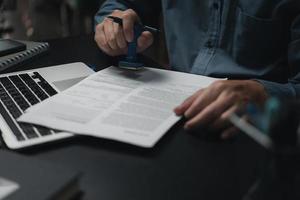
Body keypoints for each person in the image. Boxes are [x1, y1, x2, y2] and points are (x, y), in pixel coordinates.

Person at [94, 0, 300, 139]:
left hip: (254, 130)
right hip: (169, 110)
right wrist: (114, 24)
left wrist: (262, 94)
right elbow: (122, 4)